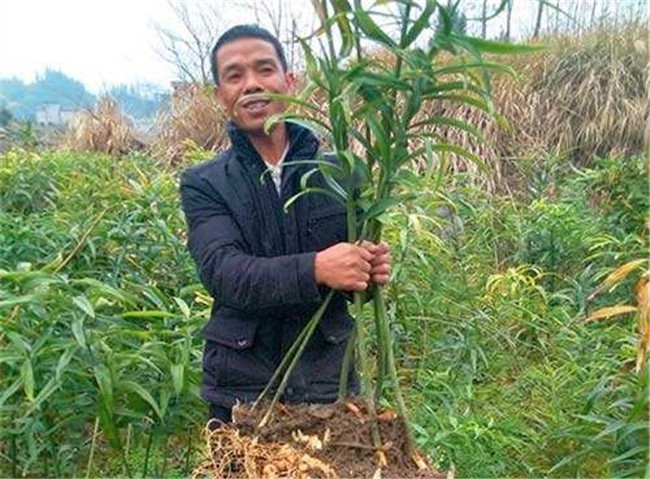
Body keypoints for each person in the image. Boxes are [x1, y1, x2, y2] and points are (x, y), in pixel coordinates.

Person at [179, 24, 390, 424]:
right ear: (219, 95)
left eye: (264, 69)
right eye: (235, 76)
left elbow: (350, 287)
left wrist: (370, 270)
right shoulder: (204, 183)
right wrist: (317, 268)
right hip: (242, 393)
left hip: (329, 387)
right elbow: (226, 275)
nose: (252, 85)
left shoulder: (342, 173)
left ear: (289, 82)